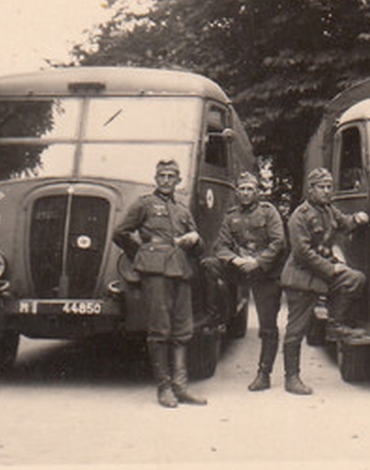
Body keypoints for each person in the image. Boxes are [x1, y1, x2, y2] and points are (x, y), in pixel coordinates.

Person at [112, 159, 208, 408]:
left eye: (171, 176)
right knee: (160, 330)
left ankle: (181, 387)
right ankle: (164, 388)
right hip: (155, 272)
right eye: (162, 176)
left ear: (178, 180)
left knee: (182, 330)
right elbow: (120, 233)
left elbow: (198, 247)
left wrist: (195, 240)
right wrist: (143, 255)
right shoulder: (144, 204)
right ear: (156, 179)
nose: (166, 180)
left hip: (181, 270)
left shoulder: (182, 209)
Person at [279, 167, 369, 395]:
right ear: (310, 189)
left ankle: (335, 324)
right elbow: (303, 253)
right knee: (296, 330)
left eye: (329, 187)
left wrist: (358, 219)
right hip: (301, 278)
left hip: (321, 274)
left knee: (354, 279)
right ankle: (291, 377)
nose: (327, 191)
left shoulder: (328, 210)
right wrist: (331, 268)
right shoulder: (299, 216)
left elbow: (345, 223)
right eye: (321, 187)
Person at [202, 172, 286, 391]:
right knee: (209, 265)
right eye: (242, 189)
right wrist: (235, 260)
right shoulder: (231, 215)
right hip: (241, 268)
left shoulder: (269, 212)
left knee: (268, 326)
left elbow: (278, 243)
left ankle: (264, 373)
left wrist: (257, 262)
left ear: (257, 192)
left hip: (265, 273)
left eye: (250, 189)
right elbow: (221, 246)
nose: (246, 193)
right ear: (237, 192)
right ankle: (218, 314)